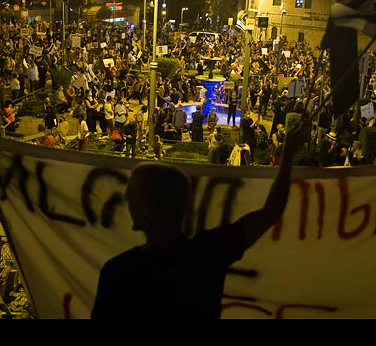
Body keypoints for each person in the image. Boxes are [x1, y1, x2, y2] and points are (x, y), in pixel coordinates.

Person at [91, 115, 309, 319]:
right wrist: (287, 155)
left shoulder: (119, 273)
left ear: (147, 214)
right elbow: (270, 212)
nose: (126, 201)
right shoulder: (207, 254)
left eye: (132, 199)